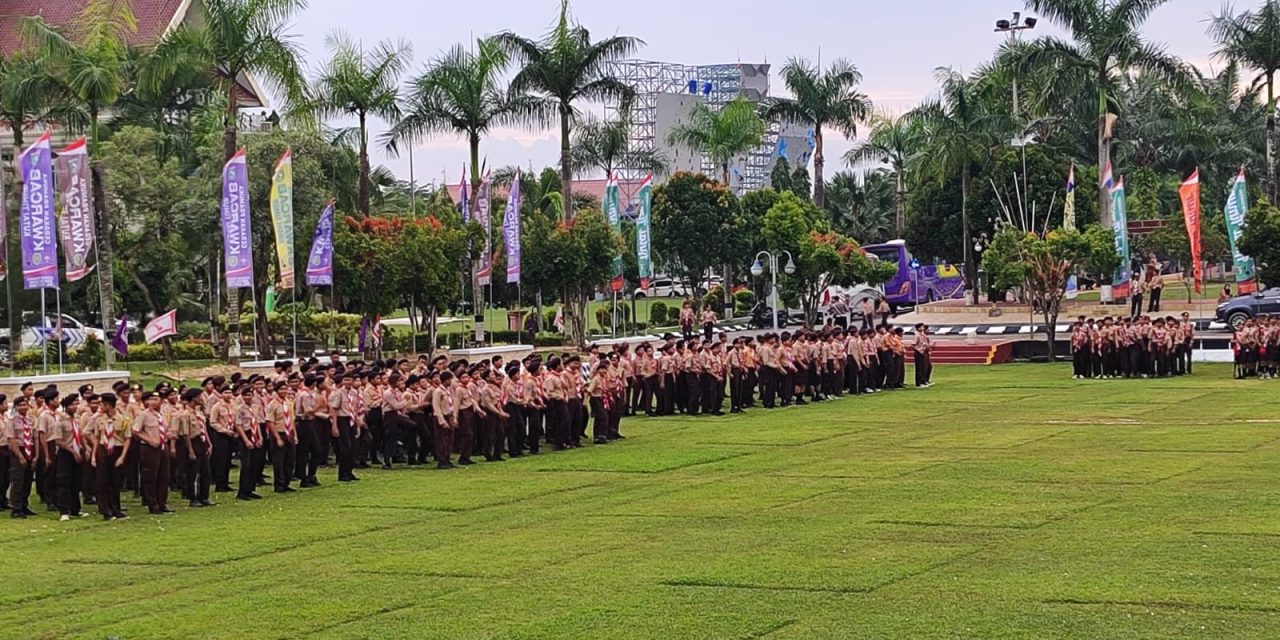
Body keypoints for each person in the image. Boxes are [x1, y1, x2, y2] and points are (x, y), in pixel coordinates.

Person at [135, 392, 172, 515]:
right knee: (151, 476)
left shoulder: (163, 414)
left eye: (155, 399)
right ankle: (152, 503)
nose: (152, 402)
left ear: (161, 401)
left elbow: (166, 428)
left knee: (164, 475)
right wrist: (149, 440)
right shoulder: (143, 415)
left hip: (163, 446)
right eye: (150, 399)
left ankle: (162, 502)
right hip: (149, 448)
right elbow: (136, 431)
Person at [7, 396, 37, 519]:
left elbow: (34, 437)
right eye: (20, 405)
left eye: (25, 405)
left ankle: (24, 505)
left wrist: (36, 455)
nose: (23, 407)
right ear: (16, 407)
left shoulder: (31, 420)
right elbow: (11, 439)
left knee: (28, 479)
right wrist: (20, 456)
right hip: (19, 450)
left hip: (30, 449)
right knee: (18, 480)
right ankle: (16, 508)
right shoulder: (12, 421)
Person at [912, 324, 933, 388]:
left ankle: (923, 381)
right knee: (919, 368)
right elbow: (913, 345)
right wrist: (919, 350)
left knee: (924, 367)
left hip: (923, 352)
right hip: (919, 353)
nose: (923, 328)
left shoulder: (922, 335)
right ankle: (919, 383)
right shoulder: (917, 335)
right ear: (918, 328)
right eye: (921, 327)